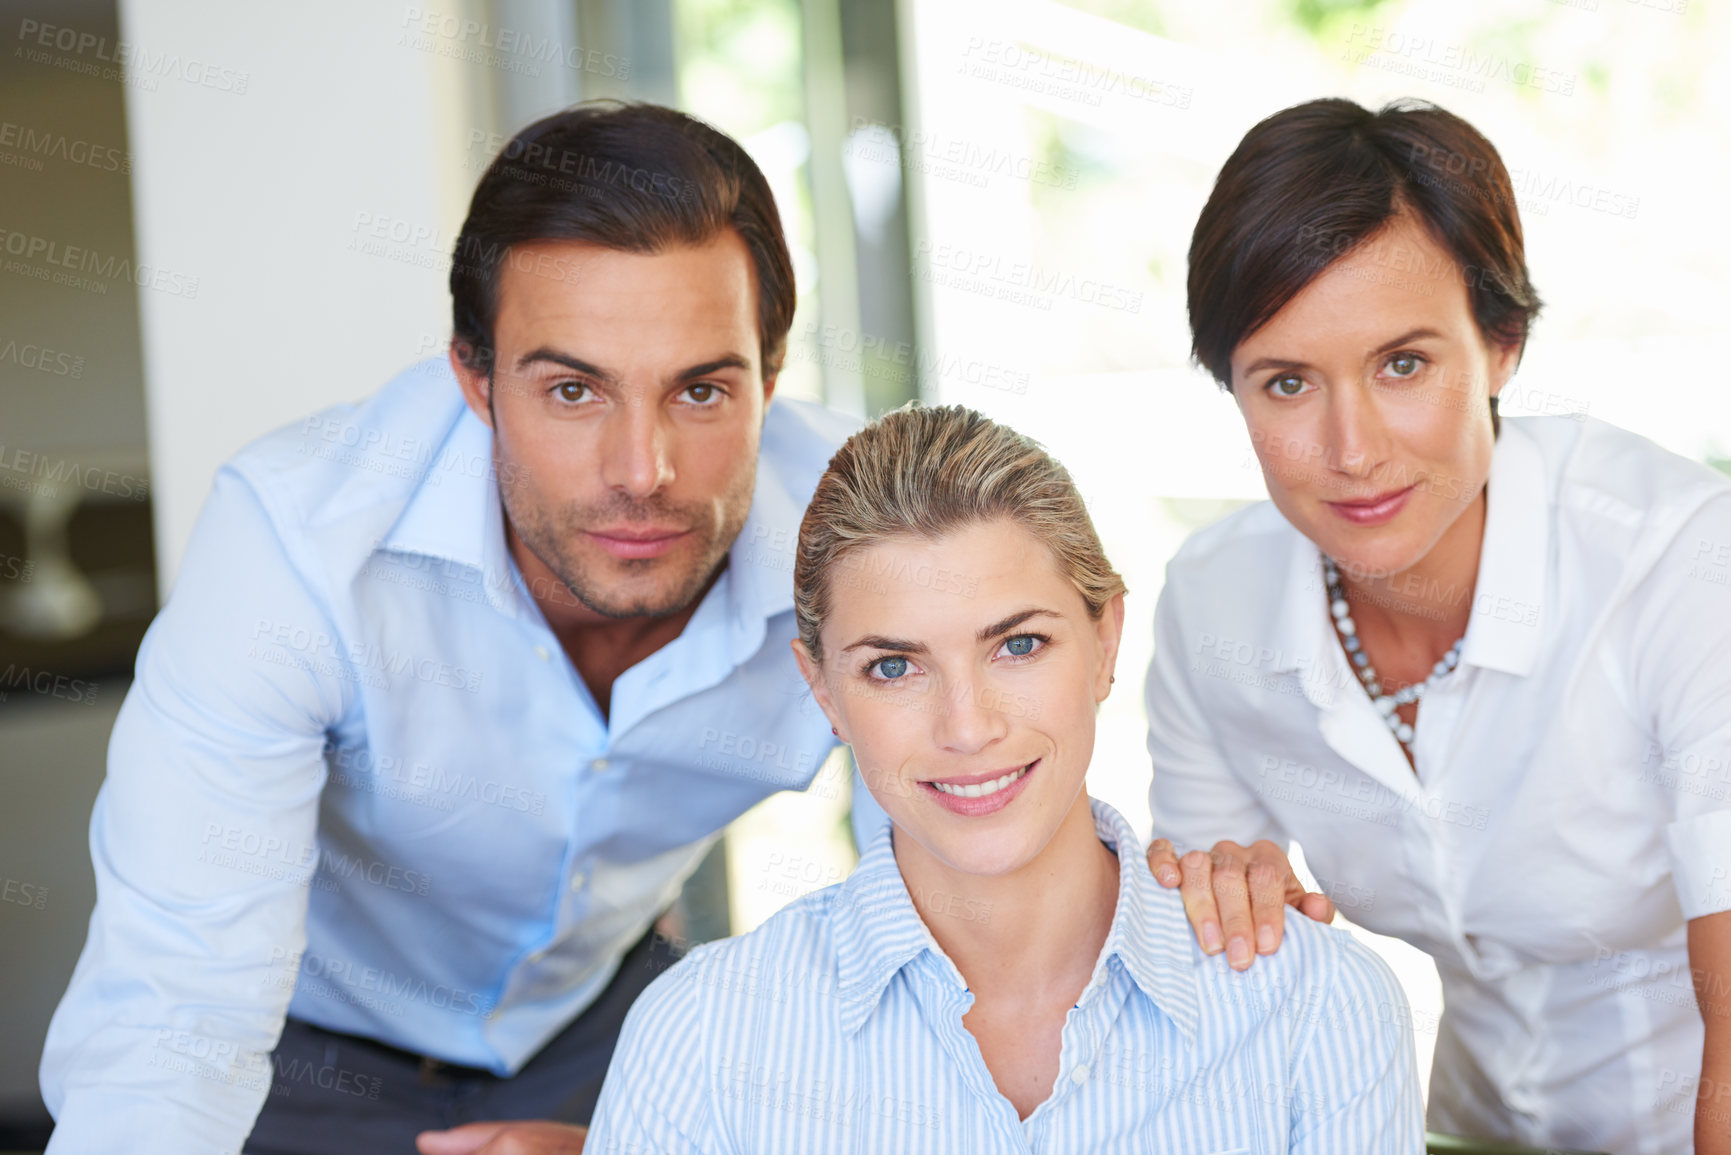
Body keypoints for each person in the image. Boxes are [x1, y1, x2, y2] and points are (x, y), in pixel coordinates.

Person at [38, 102, 857, 1155]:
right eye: (573, 390)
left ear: (771, 380)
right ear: (475, 379)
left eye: (701, 390)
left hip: (606, 1026)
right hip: (305, 1046)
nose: (642, 472)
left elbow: (958, 936)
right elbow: (172, 1014)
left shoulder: (865, 544)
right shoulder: (298, 548)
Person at [587, 404, 1424, 1152]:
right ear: (823, 692)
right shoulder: (700, 1039)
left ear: (1104, 642)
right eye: (892, 667)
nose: (968, 725)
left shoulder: (1313, 1009)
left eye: (1017, 645)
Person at [1143, 97, 1731, 1153]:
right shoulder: (1213, 605)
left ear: (1500, 344)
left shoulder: (1680, 562)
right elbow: (1208, 965)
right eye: (1286, 383)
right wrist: (1229, 903)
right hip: (1464, 1127)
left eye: (1403, 364)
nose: (1352, 449)